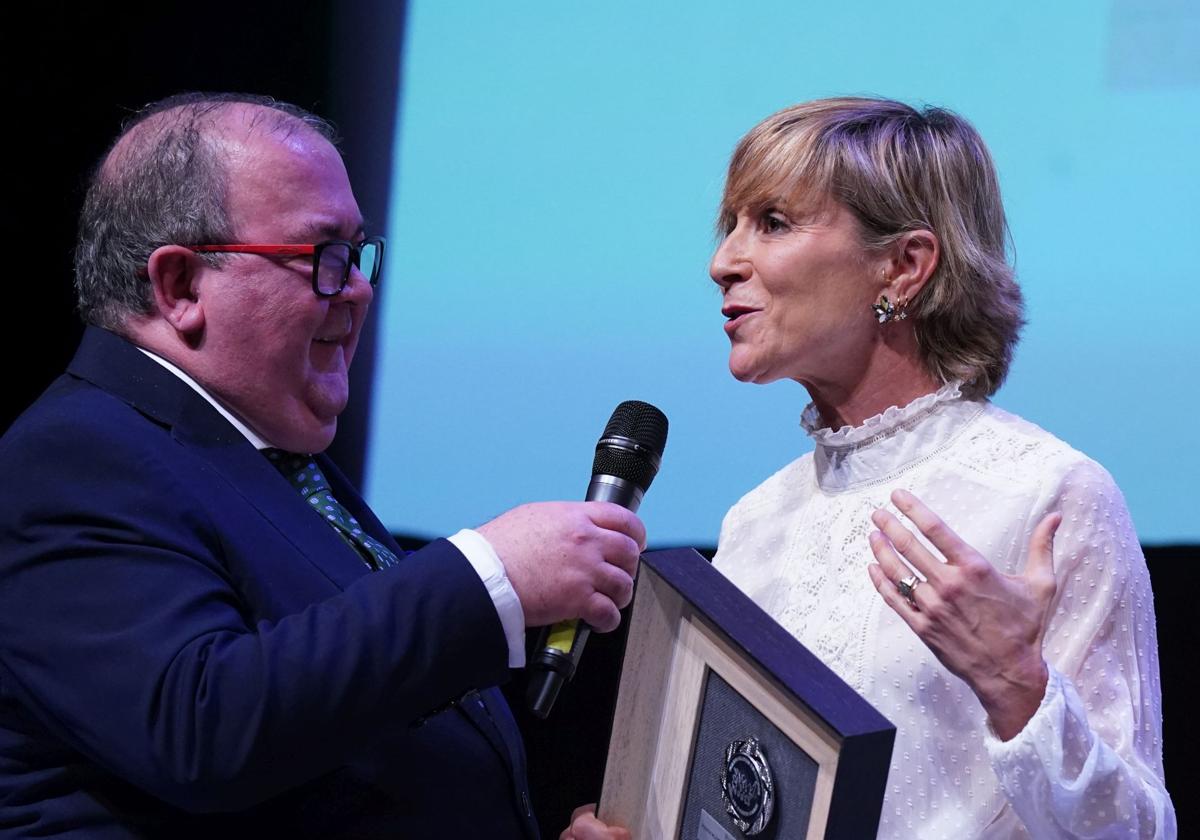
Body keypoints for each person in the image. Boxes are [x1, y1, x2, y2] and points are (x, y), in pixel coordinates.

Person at [0, 92, 644, 838]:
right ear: (180, 287)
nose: (361, 288)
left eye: (360, 254)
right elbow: (205, 727)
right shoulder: (74, 457)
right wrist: (487, 576)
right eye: (322, 257)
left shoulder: (271, 458)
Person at [704, 97, 1175, 838]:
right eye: (728, 225)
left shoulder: (1047, 495)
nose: (723, 262)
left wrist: (1017, 688)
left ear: (903, 266)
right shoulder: (752, 523)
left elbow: (1136, 831)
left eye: (772, 222)